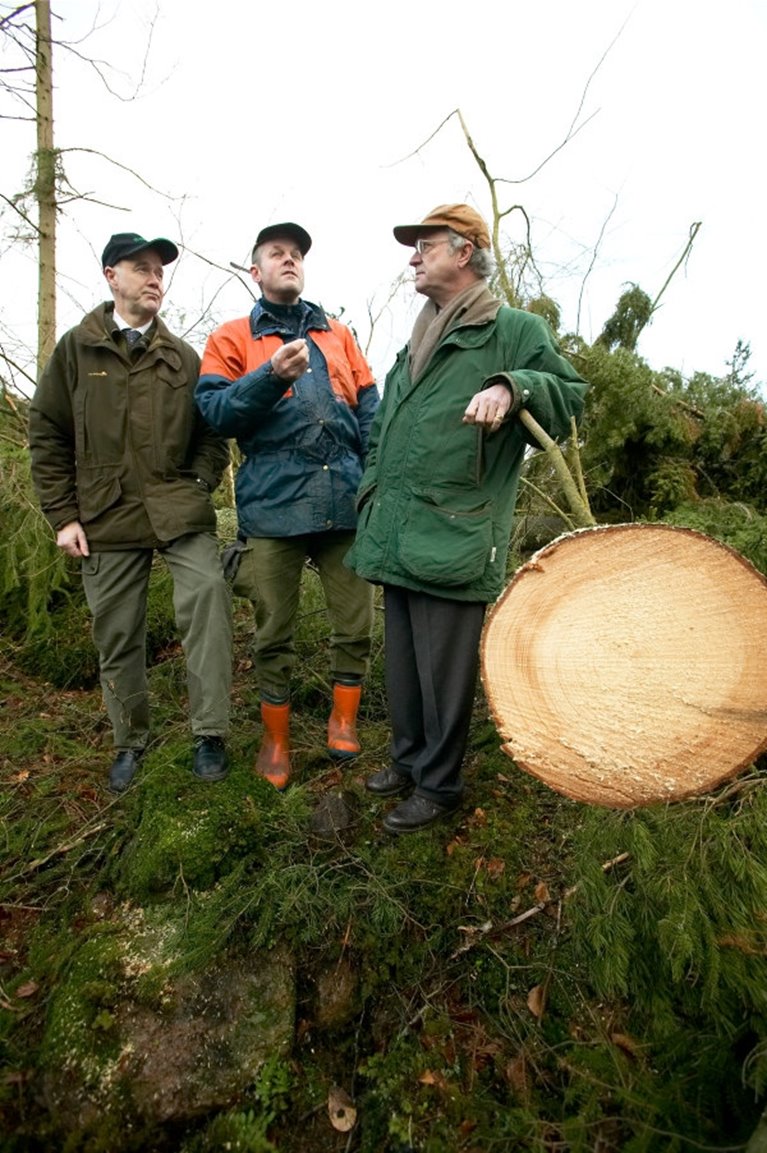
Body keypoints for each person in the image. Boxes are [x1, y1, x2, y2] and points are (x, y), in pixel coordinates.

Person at [346, 204, 589, 834]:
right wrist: (372, 486)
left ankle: (440, 784)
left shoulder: (509, 328)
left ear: (464, 252)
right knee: (401, 660)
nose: (413, 256)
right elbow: (388, 424)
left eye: (424, 245)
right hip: (398, 523)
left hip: (456, 528)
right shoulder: (420, 333)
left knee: (441, 669)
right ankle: (407, 761)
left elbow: (570, 394)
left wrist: (512, 388)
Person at [29, 232, 233, 793]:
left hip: (177, 508)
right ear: (109, 276)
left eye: (160, 271)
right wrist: (63, 516)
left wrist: (198, 483)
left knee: (208, 599)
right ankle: (129, 741)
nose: (153, 278)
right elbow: (46, 433)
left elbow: (212, 433)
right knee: (117, 632)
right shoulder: (76, 349)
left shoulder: (182, 357)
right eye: (140, 268)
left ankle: (210, 733)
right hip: (105, 513)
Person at [196, 222, 379, 791]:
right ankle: (275, 737)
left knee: (356, 623)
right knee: (273, 631)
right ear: (256, 271)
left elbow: (371, 412)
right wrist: (270, 377)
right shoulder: (230, 338)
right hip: (272, 511)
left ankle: (343, 718)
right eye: (277, 253)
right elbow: (217, 414)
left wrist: (376, 479)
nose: (290, 259)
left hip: (344, 504)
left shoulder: (338, 335)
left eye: (297, 253)